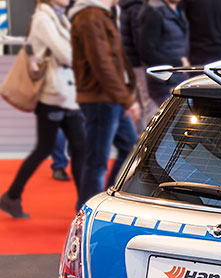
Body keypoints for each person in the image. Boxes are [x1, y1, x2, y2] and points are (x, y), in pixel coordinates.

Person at [0, 0, 85, 219]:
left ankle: (83, 202)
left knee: (78, 147)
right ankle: (11, 196)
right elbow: (67, 54)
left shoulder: (59, 16)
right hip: (53, 94)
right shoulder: (43, 18)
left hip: (66, 93)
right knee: (46, 148)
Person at [69, 0, 140, 208]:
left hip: (109, 97)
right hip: (101, 98)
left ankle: (103, 201)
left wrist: (125, 96)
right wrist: (126, 99)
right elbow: (101, 63)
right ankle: (88, 208)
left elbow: (112, 60)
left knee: (129, 148)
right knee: (97, 159)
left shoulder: (100, 15)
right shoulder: (91, 16)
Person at [139, 0, 189, 105]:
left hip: (178, 79)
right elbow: (147, 53)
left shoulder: (178, 9)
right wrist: (178, 62)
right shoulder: (154, 12)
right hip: (164, 83)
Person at [119, 0, 151, 130]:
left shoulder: (127, 7)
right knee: (147, 101)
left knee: (137, 100)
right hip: (140, 62)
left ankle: (137, 135)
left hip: (131, 61)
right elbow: (140, 39)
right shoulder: (137, 8)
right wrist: (148, 59)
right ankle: (149, 135)